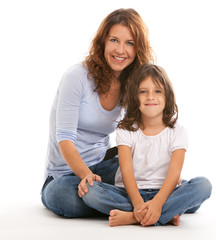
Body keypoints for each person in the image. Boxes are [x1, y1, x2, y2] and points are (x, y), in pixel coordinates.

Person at [41, 8, 155, 217]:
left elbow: (143, 134)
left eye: (129, 43)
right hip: (64, 176)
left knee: (149, 169)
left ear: (138, 49)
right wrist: (86, 176)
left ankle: (145, 200)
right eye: (114, 40)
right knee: (63, 199)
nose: (121, 50)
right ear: (103, 41)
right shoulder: (77, 76)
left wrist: (158, 169)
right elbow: (65, 138)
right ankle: (153, 205)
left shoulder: (132, 82)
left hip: (104, 167)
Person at [81, 63, 212, 227]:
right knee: (90, 192)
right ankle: (164, 214)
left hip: (164, 192)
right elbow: (126, 169)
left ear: (167, 96)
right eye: (143, 92)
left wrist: (157, 203)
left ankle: (134, 217)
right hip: (129, 193)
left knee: (203, 186)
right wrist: (136, 203)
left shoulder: (178, 131)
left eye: (158, 91)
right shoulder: (125, 129)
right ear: (135, 98)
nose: (151, 96)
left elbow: (174, 172)